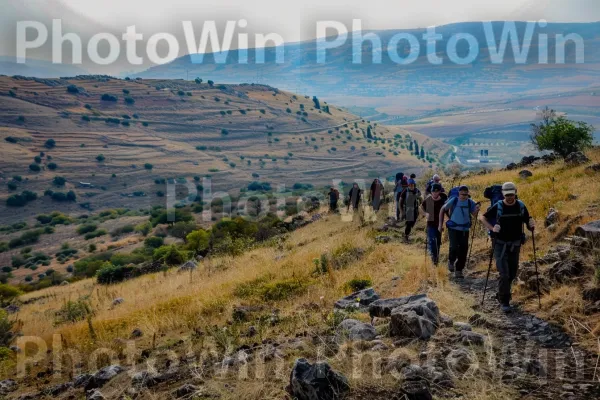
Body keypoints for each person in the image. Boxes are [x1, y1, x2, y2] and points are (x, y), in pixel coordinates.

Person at [479, 182, 534, 312]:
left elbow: (528, 222)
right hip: (500, 244)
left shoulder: (520, 206)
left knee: (512, 273)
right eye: (507, 194)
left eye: (512, 194)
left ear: (515, 193)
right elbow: (482, 218)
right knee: (504, 273)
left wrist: (531, 225)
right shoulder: (498, 206)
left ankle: (501, 293)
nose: (510, 197)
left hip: (515, 244)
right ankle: (505, 301)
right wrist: (492, 228)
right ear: (504, 194)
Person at [439, 185, 480, 279]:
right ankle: (451, 260)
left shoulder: (470, 202)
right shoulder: (454, 200)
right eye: (462, 194)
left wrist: (476, 210)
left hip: (464, 230)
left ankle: (459, 270)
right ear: (459, 193)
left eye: (466, 194)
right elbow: (442, 209)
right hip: (453, 228)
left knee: (464, 249)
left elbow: (474, 215)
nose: (464, 196)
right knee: (454, 246)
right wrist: (440, 225)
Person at [421, 183, 448, 265]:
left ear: (439, 191)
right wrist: (425, 214)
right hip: (430, 224)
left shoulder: (443, 201)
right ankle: (434, 260)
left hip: (439, 225)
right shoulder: (428, 200)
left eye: (436, 191)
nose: (435, 193)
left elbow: (447, 213)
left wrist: (447, 221)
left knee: (438, 242)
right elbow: (420, 208)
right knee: (432, 240)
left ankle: (436, 257)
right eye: (433, 191)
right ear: (431, 192)